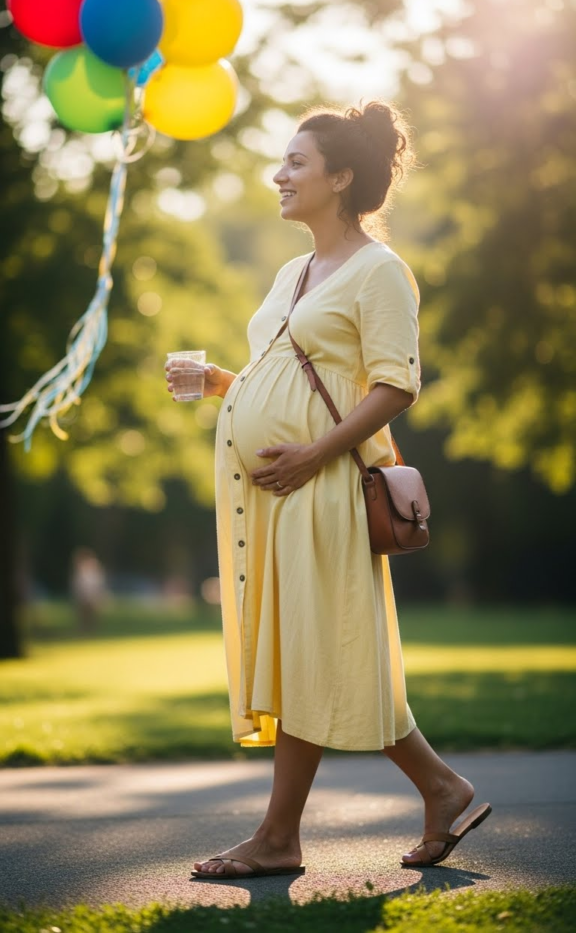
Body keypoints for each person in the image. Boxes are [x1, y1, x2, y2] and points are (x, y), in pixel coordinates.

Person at [166, 100, 491, 879]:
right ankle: (434, 789)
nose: (279, 175)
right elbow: (293, 379)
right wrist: (223, 385)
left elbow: (395, 385)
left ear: (341, 177)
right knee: (305, 651)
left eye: (296, 163)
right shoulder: (293, 271)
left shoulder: (382, 271)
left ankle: (291, 834)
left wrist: (314, 454)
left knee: (324, 648)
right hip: (275, 495)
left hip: (324, 489)